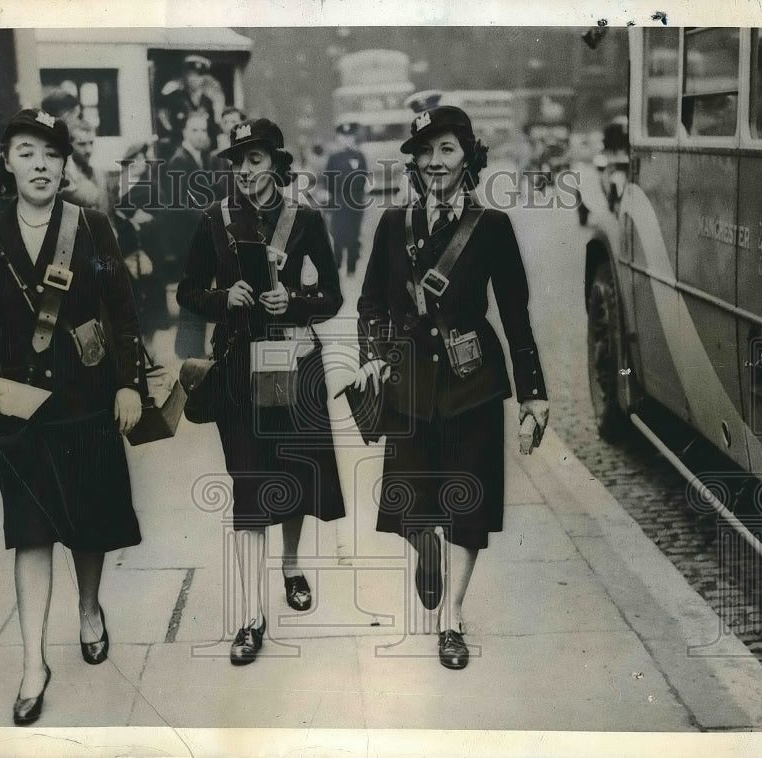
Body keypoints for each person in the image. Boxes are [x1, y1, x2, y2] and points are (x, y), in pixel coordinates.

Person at [0, 109, 145, 724]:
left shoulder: (91, 227)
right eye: (27, 152)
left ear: (65, 165)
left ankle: (89, 609)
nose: (40, 164)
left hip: (88, 402)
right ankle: (33, 661)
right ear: (7, 163)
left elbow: (123, 311)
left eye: (51, 154)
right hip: (21, 410)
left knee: (89, 527)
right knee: (30, 534)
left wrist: (129, 384)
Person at [353, 106, 550, 670]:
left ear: (468, 158)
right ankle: (427, 552)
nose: (435, 162)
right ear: (413, 162)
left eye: (447, 150)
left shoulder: (491, 228)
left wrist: (533, 394)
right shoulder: (393, 224)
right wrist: (373, 358)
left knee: (467, 505)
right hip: (409, 387)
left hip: (474, 386)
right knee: (411, 509)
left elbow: (515, 314)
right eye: (425, 152)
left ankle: (452, 618)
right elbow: (370, 304)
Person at [177, 118, 345, 665]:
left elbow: (334, 296)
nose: (245, 171)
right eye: (238, 161)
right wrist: (226, 297)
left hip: (292, 359)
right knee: (249, 486)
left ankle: (291, 564)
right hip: (237, 368)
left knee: (293, 473)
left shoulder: (305, 219)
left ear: (276, 161)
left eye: (255, 159)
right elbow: (187, 292)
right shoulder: (213, 220)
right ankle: (252, 617)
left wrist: (292, 301)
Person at [167, 113, 215, 358]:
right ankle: (188, 351)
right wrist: (209, 217)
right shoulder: (179, 161)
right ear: (184, 132)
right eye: (194, 130)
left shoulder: (197, 158)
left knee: (199, 290)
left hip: (197, 238)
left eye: (203, 130)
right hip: (187, 239)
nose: (200, 135)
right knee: (193, 291)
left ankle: (192, 349)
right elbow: (178, 205)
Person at [111, 141, 170, 336]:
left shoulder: (151, 187)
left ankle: (150, 349)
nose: (142, 162)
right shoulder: (116, 187)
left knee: (149, 304)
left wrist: (142, 222)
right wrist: (130, 220)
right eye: (137, 159)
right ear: (128, 163)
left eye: (143, 158)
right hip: (124, 249)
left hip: (148, 250)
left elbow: (163, 218)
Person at [324, 121, 369, 275]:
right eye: (343, 136)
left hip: (355, 200)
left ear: (353, 138)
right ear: (338, 138)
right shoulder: (334, 158)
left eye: (349, 136)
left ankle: (351, 267)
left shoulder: (359, 156)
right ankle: (336, 266)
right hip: (338, 200)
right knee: (337, 233)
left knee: (353, 233)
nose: (347, 140)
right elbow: (328, 180)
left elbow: (362, 177)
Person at [155, 55, 219, 163]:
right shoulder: (175, 98)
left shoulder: (207, 102)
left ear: (204, 78)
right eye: (191, 75)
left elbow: (211, 130)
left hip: (202, 152)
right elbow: (164, 123)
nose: (194, 79)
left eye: (198, 76)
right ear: (185, 76)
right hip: (178, 150)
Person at [61, 119, 107, 212]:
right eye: (82, 144)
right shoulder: (63, 174)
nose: (88, 150)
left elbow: (105, 211)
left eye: (91, 143)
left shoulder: (98, 174)